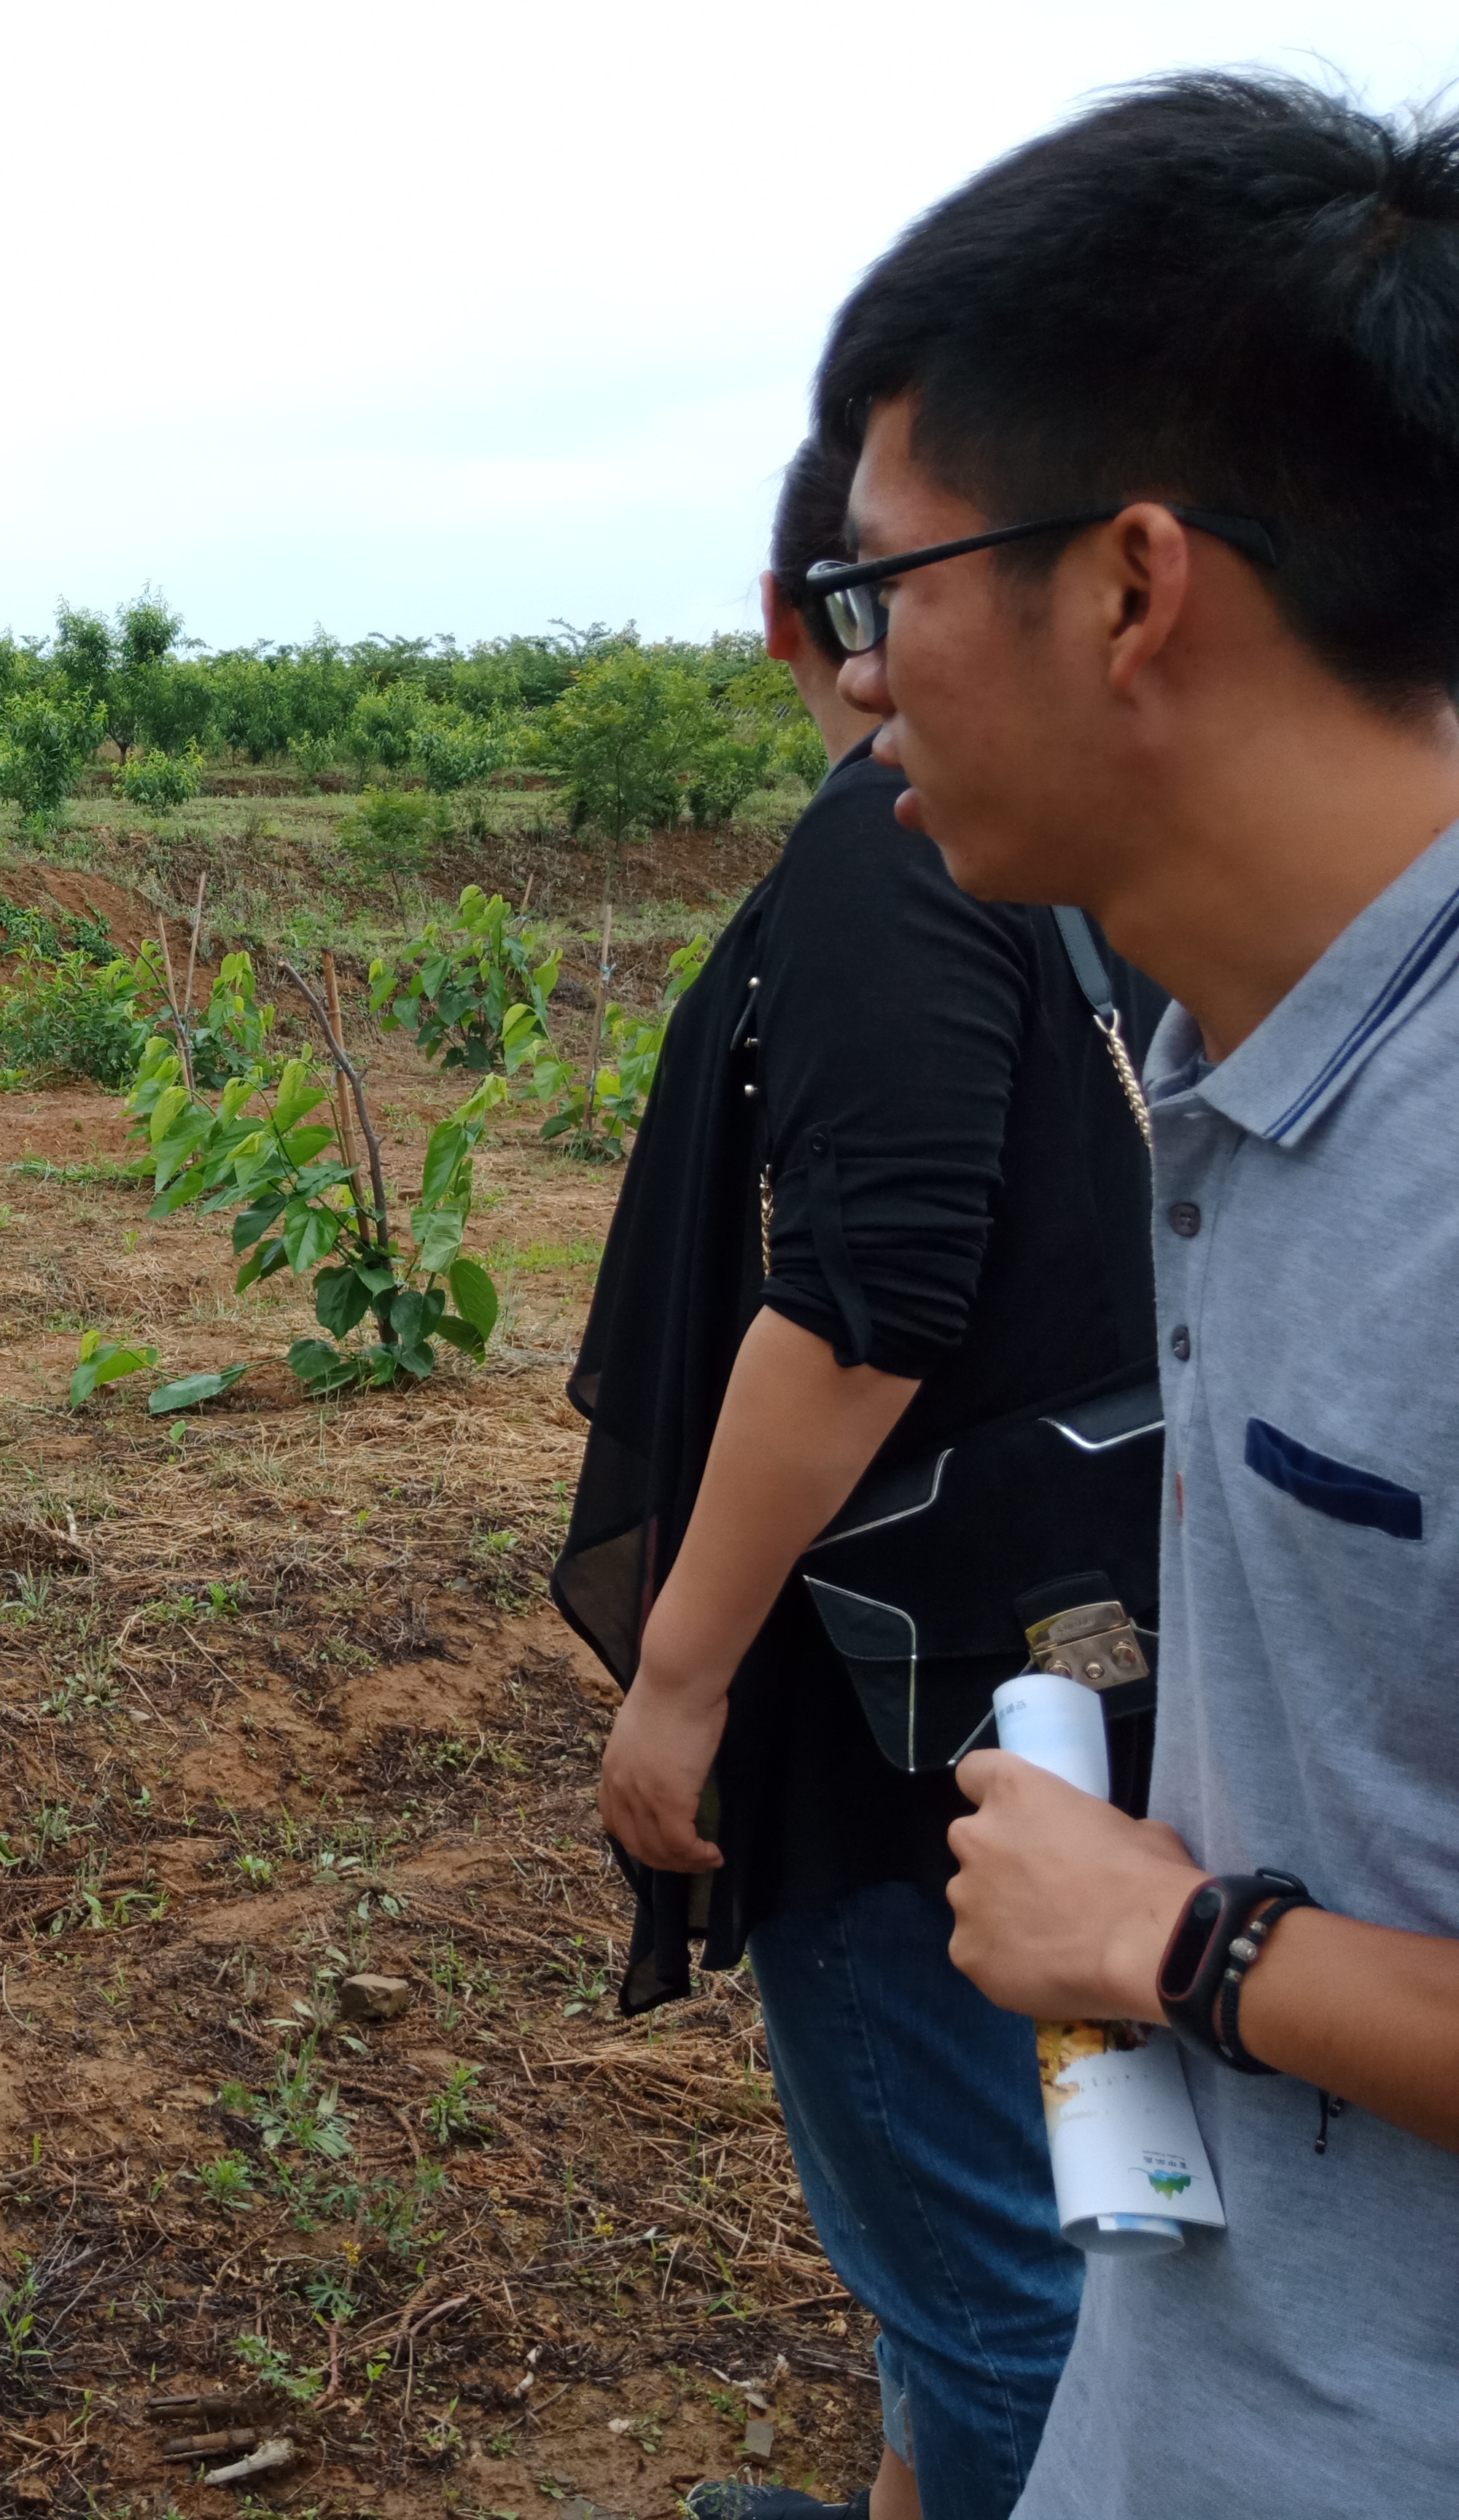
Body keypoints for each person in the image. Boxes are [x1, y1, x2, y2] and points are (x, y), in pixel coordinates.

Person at [790, 73, 1459, 2515]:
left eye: (887, 587)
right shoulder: (1240, 1074)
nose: (860, 681)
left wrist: (1189, 1952)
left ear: (1130, 587)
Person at [555, 436, 1167, 2520]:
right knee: (1023, 2192)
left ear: (788, 617)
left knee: (991, 2272)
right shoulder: (1083, 839)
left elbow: (861, 1305)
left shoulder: (885, 846)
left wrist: (683, 1675)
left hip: (904, 1678)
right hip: (1060, 1634)